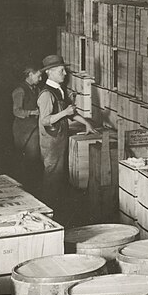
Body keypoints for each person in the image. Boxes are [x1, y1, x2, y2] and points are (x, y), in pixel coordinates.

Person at [36, 53, 83, 215]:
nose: (65, 74)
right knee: (52, 179)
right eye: (61, 71)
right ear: (49, 72)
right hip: (51, 142)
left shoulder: (59, 91)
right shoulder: (46, 94)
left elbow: (70, 112)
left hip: (59, 140)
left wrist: (87, 124)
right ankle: (48, 215)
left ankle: (55, 211)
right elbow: (45, 120)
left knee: (57, 178)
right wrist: (65, 113)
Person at [10, 63, 44, 188]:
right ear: (30, 74)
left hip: (34, 128)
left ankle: (32, 186)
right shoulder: (20, 90)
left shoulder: (36, 89)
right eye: (38, 76)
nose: (40, 79)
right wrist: (32, 112)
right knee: (27, 159)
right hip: (23, 130)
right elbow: (16, 111)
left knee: (33, 159)